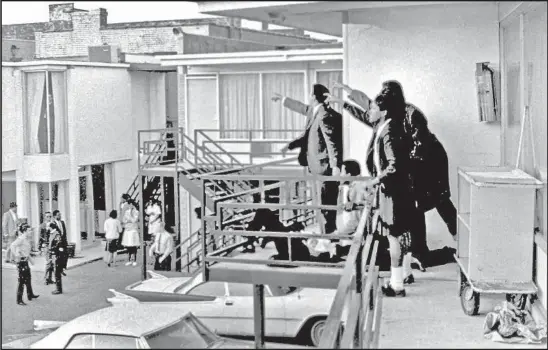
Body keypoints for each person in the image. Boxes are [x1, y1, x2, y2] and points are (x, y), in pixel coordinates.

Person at [325, 89, 416, 297]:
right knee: (398, 235)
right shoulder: (384, 127)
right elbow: (362, 114)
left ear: (382, 111)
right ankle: (402, 277)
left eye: (373, 107)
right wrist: (343, 102)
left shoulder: (389, 133)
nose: (370, 111)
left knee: (394, 236)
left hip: (392, 192)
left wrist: (374, 181)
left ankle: (397, 284)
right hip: (393, 190)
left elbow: (394, 165)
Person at [273, 84, 343, 235]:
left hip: (323, 167)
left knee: (324, 205)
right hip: (318, 166)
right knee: (323, 205)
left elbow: (331, 143)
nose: (308, 98)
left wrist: (336, 166)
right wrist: (283, 99)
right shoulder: (316, 111)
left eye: (310, 95)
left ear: (313, 97)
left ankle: (327, 240)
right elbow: (302, 110)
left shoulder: (324, 115)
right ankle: (328, 237)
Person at [333, 160, 371, 258]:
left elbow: (371, 201)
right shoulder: (356, 183)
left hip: (361, 228)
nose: (340, 175)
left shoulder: (358, 186)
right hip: (361, 228)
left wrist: (356, 204)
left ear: (349, 174)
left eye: (342, 172)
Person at [12, 223, 39, 305]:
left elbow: (26, 250)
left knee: (28, 278)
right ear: (24, 231)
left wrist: (32, 257)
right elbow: (12, 245)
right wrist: (17, 255)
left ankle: (30, 294)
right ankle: (19, 300)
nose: (30, 232)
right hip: (21, 262)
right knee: (22, 281)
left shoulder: (26, 239)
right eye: (29, 230)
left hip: (25, 261)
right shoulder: (21, 238)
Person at [122, 200, 140, 267]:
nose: (128, 206)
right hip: (128, 229)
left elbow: (134, 220)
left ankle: (134, 260)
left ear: (132, 204)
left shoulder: (136, 212)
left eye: (129, 204)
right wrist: (128, 220)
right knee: (128, 245)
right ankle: (129, 260)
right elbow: (124, 220)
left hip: (133, 230)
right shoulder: (126, 211)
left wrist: (129, 219)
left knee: (133, 245)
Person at [50, 210, 68, 275]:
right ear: (54, 216)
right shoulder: (53, 224)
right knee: (59, 256)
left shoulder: (62, 222)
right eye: (58, 215)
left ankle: (63, 268)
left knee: (65, 255)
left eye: (60, 214)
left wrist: (65, 240)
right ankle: (59, 269)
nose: (60, 216)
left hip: (63, 241)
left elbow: (64, 232)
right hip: (58, 242)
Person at [48, 224, 64, 295]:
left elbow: (59, 246)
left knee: (57, 273)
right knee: (56, 272)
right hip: (54, 255)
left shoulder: (56, 235)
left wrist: (58, 256)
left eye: (49, 227)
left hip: (57, 256)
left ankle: (59, 289)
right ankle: (58, 288)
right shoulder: (53, 234)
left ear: (51, 227)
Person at [41, 212, 56, 285]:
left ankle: (49, 278)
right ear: (45, 217)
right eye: (47, 216)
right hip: (46, 246)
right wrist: (40, 246)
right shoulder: (42, 226)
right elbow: (40, 237)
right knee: (48, 262)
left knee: (51, 263)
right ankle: (45, 279)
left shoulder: (53, 225)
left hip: (52, 246)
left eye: (50, 216)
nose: (49, 218)